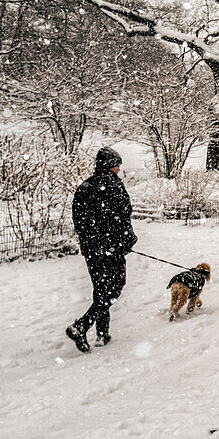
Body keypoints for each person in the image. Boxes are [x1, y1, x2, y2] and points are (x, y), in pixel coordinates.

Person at [65, 146, 137, 353]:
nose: (118, 169)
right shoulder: (114, 186)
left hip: (91, 249)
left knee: (101, 289)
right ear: (110, 165)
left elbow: (78, 220)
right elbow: (122, 217)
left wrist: (90, 241)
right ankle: (82, 325)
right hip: (111, 248)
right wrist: (127, 241)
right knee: (115, 287)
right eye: (117, 165)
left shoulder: (85, 187)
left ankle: (102, 334)